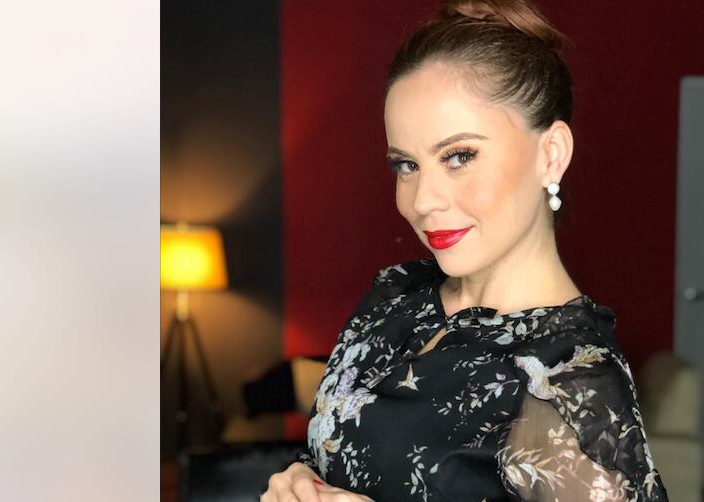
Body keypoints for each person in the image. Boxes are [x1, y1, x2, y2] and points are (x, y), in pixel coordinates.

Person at [262, 0, 669, 500]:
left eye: (458, 156)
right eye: (406, 165)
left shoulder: (567, 379)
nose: (423, 201)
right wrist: (301, 479)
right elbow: (344, 451)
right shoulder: (396, 295)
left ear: (551, 154)